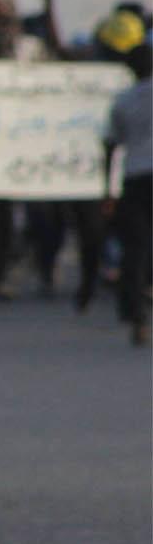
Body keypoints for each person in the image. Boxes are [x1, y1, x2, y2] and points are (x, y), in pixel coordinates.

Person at [106, 43, 152, 346]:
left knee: (135, 248)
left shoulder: (123, 100)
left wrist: (107, 192)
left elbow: (110, 146)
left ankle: (137, 316)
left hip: (135, 178)